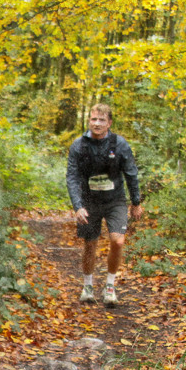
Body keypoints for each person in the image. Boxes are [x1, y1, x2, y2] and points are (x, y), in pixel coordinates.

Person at [65, 104, 144, 307]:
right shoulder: (79, 145)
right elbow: (72, 177)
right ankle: (88, 285)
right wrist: (78, 206)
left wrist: (136, 202)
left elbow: (131, 173)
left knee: (117, 241)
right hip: (89, 201)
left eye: (101, 120)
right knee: (90, 244)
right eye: (93, 119)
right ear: (88, 121)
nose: (96, 123)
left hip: (114, 201)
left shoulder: (120, 145)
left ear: (109, 123)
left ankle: (110, 286)